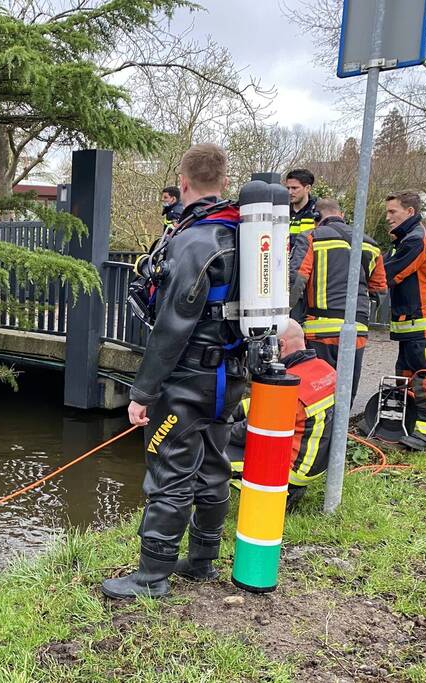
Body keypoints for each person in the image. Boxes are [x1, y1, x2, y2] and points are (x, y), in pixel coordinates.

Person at [102, 144, 246, 599]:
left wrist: (142, 392)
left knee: (170, 470)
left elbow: (172, 326)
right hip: (229, 376)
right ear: (224, 182)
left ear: (183, 184)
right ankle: (202, 561)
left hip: (188, 380)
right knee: (214, 464)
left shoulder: (193, 241)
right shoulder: (246, 237)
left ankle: (151, 576)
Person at [227, 320, 336, 512]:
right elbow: (259, 405)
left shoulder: (290, 387)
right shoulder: (323, 369)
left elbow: (249, 432)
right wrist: (228, 411)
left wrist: (214, 429)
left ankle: (276, 494)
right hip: (312, 463)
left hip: (290, 470)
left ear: (281, 345)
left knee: (211, 453)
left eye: (264, 346)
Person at [290, 197, 387, 404]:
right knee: (346, 390)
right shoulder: (370, 244)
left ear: (316, 216)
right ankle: (341, 425)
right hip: (357, 330)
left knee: (318, 390)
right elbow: (379, 290)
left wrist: (287, 318)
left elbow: (296, 280)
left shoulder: (312, 237)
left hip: (320, 329)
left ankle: (320, 425)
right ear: (341, 215)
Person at [383, 190, 426, 451]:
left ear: (409, 212)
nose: (387, 217)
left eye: (393, 212)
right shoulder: (407, 238)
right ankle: (409, 426)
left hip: (424, 325)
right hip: (412, 325)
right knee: (407, 377)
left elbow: (389, 274)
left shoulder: (417, 241)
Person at [286, 169, 320, 320]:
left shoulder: (318, 212)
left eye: (295, 188)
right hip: (286, 274)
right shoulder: (282, 210)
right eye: (288, 188)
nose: (290, 192)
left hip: (309, 275)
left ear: (308, 188)